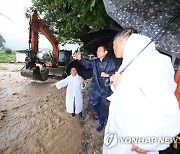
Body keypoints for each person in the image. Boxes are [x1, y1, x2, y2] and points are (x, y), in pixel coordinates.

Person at [103, 28, 180, 154]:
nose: (112, 48)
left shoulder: (149, 62)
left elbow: (165, 106)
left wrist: (150, 140)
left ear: (121, 41)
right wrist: (117, 84)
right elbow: (133, 92)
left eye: (113, 44)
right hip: (123, 132)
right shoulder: (132, 62)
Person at [74, 45, 117, 131]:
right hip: (95, 87)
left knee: (104, 105)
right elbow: (87, 63)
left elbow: (116, 73)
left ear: (105, 52)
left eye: (100, 51)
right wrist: (80, 58)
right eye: (97, 51)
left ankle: (101, 121)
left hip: (105, 88)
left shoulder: (111, 62)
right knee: (94, 102)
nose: (98, 53)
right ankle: (98, 114)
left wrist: (107, 75)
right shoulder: (95, 62)